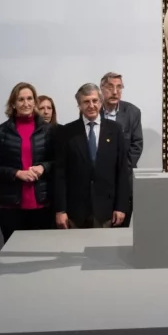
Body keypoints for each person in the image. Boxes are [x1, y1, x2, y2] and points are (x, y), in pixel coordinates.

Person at [54, 83, 131, 229]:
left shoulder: (115, 130)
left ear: (101, 102)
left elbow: (122, 170)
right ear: (79, 105)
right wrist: (61, 209)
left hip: (106, 210)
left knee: (106, 251)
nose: (91, 105)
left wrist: (121, 206)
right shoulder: (66, 132)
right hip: (75, 211)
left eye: (95, 101)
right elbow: (60, 174)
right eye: (86, 101)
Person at [0, 83, 56, 242]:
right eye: (21, 99)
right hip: (10, 206)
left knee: (40, 253)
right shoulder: (2, 131)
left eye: (29, 99)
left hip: (42, 204)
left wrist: (43, 167)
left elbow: (58, 161)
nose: (26, 103)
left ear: (35, 102)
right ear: (13, 103)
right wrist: (16, 173)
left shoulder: (48, 130)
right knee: (12, 255)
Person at [100, 72, 143, 227]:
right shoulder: (93, 110)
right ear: (101, 89)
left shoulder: (132, 112)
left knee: (121, 227)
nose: (115, 91)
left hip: (124, 179)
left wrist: (122, 169)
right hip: (100, 180)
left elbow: (137, 145)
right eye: (110, 87)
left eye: (119, 87)